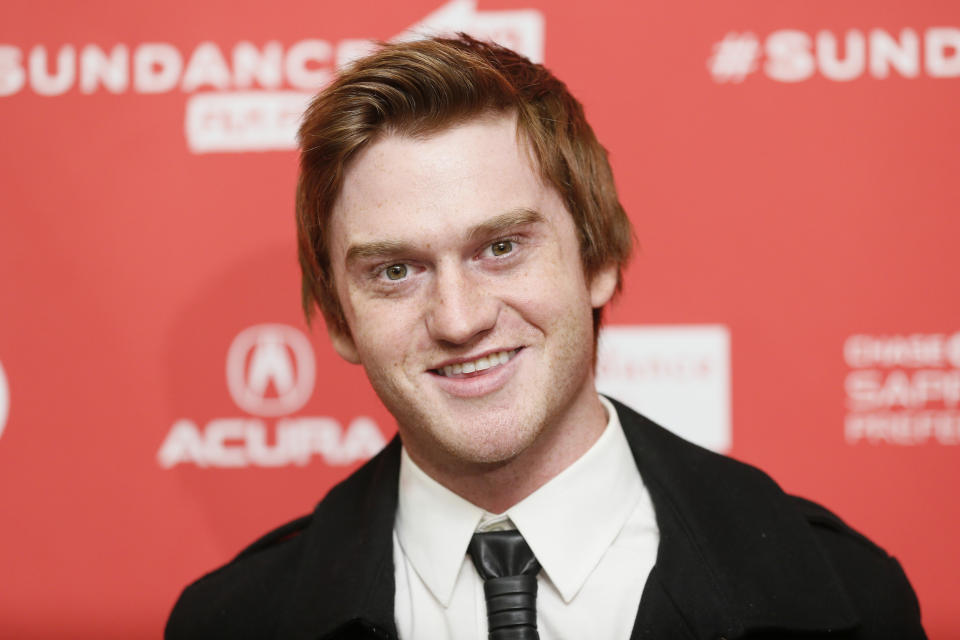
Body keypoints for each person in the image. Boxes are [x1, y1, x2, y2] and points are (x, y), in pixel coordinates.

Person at [166, 35, 925, 640]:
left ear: (597, 257)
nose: (459, 319)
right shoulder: (231, 622)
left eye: (501, 247)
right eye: (396, 270)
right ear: (338, 320)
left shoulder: (848, 596)